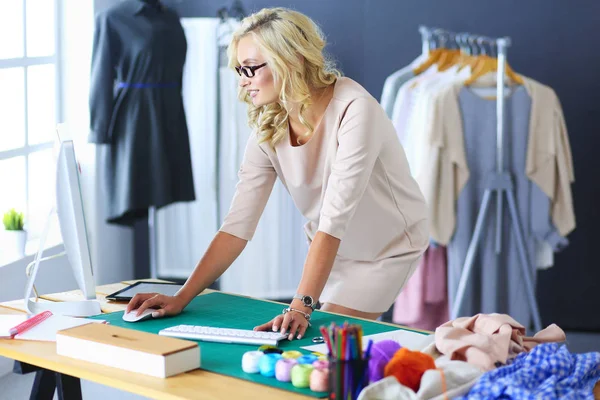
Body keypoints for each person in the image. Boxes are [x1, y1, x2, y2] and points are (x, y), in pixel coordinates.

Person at [126, 7, 429, 341]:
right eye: (239, 70)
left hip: (387, 249)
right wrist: (182, 297)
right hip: (332, 250)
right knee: (320, 348)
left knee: (324, 343)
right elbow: (237, 226)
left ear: (293, 60)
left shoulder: (356, 110)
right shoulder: (269, 124)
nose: (243, 80)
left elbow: (334, 218)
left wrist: (299, 306)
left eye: (251, 69)